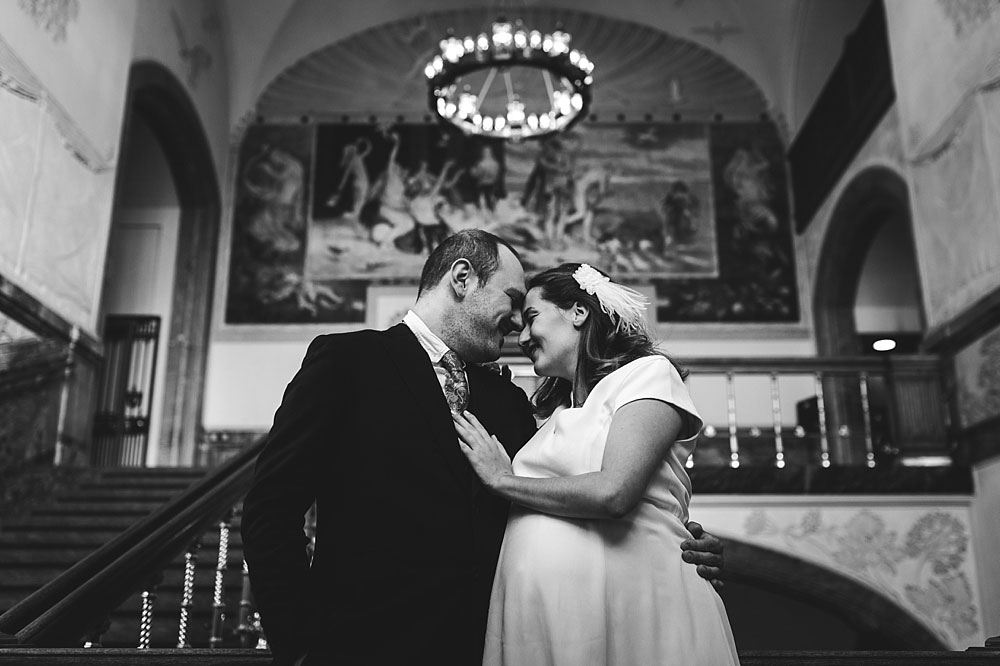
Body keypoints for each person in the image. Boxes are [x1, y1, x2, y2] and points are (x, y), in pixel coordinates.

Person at [242, 231, 725, 666]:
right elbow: (271, 507)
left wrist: (670, 532)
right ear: (462, 278)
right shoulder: (348, 362)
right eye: (514, 301)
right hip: (361, 646)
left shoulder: (508, 400)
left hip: (488, 646)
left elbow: (556, 491)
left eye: (528, 311)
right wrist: (299, 643)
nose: (517, 324)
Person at [453, 262, 739, 666]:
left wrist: (503, 480)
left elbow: (614, 492)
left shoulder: (647, 376)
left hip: (631, 604)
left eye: (532, 317)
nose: (522, 336)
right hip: (546, 619)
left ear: (578, 312)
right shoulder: (549, 418)